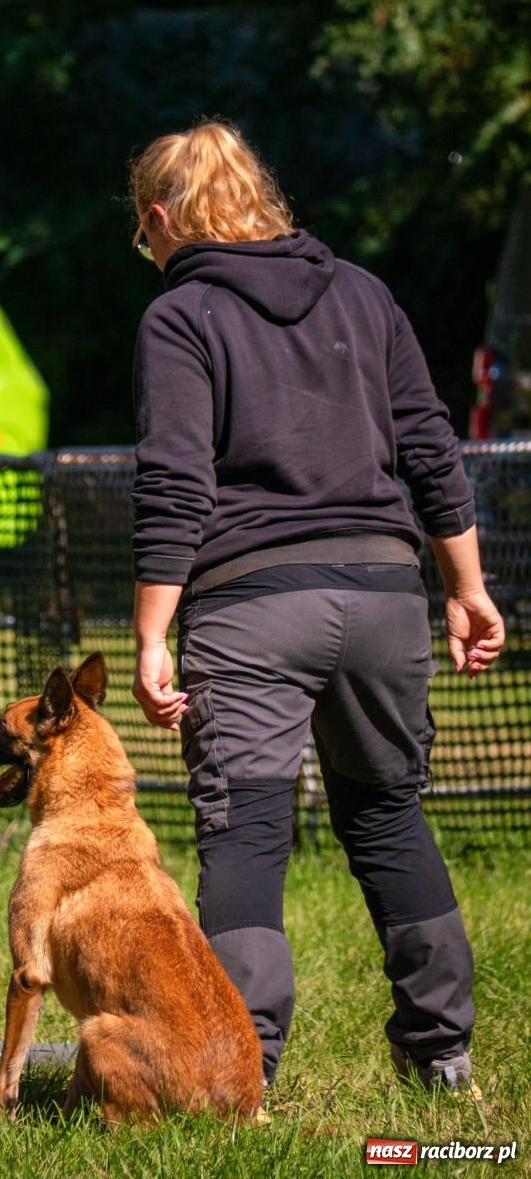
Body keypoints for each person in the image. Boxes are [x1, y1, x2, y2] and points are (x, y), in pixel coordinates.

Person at [128, 119, 506, 1093]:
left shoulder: (181, 317)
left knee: (247, 827)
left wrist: (152, 634)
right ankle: (443, 1054)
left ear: (164, 217)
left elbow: (176, 482)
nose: (151, 252)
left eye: (145, 235)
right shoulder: (363, 294)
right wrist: (467, 586)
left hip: (252, 605)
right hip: (384, 595)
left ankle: (239, 1070)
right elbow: (431, 448)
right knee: (387, 814)